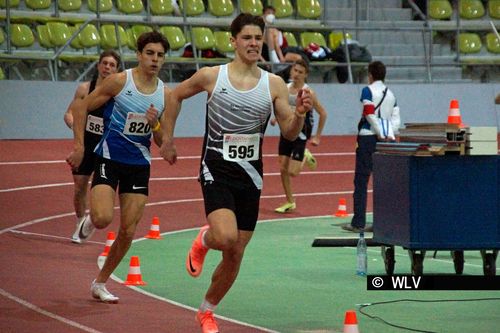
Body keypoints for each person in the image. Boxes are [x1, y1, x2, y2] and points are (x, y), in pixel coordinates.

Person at [159, 13, 312, 333]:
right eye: (247, 38)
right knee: (225, 237)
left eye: (259, 38)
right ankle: (203, 239)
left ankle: (206, 311)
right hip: (215, 167)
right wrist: (167, 138)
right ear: (233, 41)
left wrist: (298, 114)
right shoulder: (211, 76)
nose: (254, 43)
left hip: (251, 176)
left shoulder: (273, 84)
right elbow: (174, 95)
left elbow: (288, 131)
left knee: (235, 253)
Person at [66, 31, 171, 303]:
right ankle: (89, 219)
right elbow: (81, 109)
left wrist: (155, 124)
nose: (154, 59)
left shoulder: (164, 94)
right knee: (102, 218)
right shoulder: (119, 82)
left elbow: (163, 141)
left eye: (160, 55)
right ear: (139, 54)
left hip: (138, 165)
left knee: (128, 231)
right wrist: (79, 147)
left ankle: (100, 283)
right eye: (149, 53)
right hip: (109, 159)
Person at [63, 50, 121, 244]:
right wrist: (76, 124)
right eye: (104, 63)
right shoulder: (84, 89)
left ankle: (90, 221)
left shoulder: (119, 94)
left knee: (99, 187)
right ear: (98, 66)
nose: (107, 67)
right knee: (79, 186)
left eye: (112, 65)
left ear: (117, 70)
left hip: (106, 147)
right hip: (86, 145)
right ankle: (80, 222)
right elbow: (69, 114)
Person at [342, 61, 400, 233]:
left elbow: (368, 113)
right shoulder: (391, 94)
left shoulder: (367, 91)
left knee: (361, 180)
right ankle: (382, 221)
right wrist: (388, 132)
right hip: (387, 140)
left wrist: (378, 131)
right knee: (382, 182)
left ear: (370, 75)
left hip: (368, 138)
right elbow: (396, 118)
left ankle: (358, 222)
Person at [272, 59, 328, 213]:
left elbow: (323, 113)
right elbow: (283, 109)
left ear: (306, 75)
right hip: (286, 131)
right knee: (282, 167)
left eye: (300, 72)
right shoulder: (285, 88)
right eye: (295, 70)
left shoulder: (308, 92)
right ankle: (290, 201)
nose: (296, 74)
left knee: (292, 172)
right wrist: (274, 118)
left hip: (301, 132)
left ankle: (304, 154)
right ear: (291, 71)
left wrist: (317, 136)